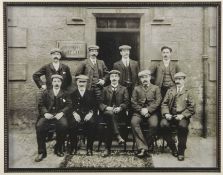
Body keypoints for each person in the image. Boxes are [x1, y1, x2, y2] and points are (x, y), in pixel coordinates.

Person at [35, 74, 71, 162]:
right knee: (39, 126)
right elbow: (41, 104)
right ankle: (42, 152)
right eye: (55, 81)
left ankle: (58, 148)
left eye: (58, 81)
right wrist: (45, 113)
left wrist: (62, 112)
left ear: (61, 83)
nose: (56, 83)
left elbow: (69, 105)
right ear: (52, 82)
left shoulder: (65, 93)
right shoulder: (46, 92)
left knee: (64, 125)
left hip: (59, 115)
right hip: (48, 115)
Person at [160, 72, 195, 161]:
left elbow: (192, 107)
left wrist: (182, 115)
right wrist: (166, 113)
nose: (177, 81)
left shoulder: (189, 91)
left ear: (184, 80)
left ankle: (181, 151)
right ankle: (173, 147)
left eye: (180, 79)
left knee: (183, 127)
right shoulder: (170, 90)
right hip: (170, 115)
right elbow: (164, 104)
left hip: (182, 116)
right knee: (163, 125)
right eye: (176, 79)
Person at [131, 70, 162, 158]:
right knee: (134, 122)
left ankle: (144, 147)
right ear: (140, 79)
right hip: (139, 112)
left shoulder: (156, 88)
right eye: (142, 77)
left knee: (154, 124)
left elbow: (158, 101)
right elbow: (133, 102)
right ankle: (143, 147)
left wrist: (148, 110)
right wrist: (141, 110)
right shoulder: (136, 88)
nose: (144, 79)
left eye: (146, 77)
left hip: (152, 112)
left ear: (150, 77)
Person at [99, 70, 129, 157]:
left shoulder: (124, 89)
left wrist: (120, 108)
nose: (114, 78)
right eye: (112, 76)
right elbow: (100, 103)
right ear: (110, 78)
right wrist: (106, 107)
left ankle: (107, 149)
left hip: (120, 114)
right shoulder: (105, 89)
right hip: (107, 113)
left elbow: (127, 102)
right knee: (110, 115)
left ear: (119, 78)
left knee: (109, 124)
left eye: (116, 76)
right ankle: (118, 136)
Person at [68, 75, 97, 156]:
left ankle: (89, 148)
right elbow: (70, 106)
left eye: (83, 82)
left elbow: (95, 106)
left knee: (92, 123)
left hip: (87, 115)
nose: (81, 83)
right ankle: (73, 147)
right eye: (80, 82)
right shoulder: (72, 94)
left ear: (86, 83)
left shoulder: (91, 93)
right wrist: (74, 113)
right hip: (76, 115)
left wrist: (90, 113)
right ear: (77, 82)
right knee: (72, 124)